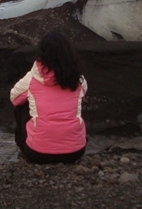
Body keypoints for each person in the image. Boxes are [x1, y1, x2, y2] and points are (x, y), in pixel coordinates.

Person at [10, 30, 87, 164]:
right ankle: (71, 139)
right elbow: (84, 93)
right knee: (76, 102)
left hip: (38, 153)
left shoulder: (32, 78)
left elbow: (14, 98)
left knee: (22, 102)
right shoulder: (79, 80)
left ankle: (28, 144)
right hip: (76, 152)